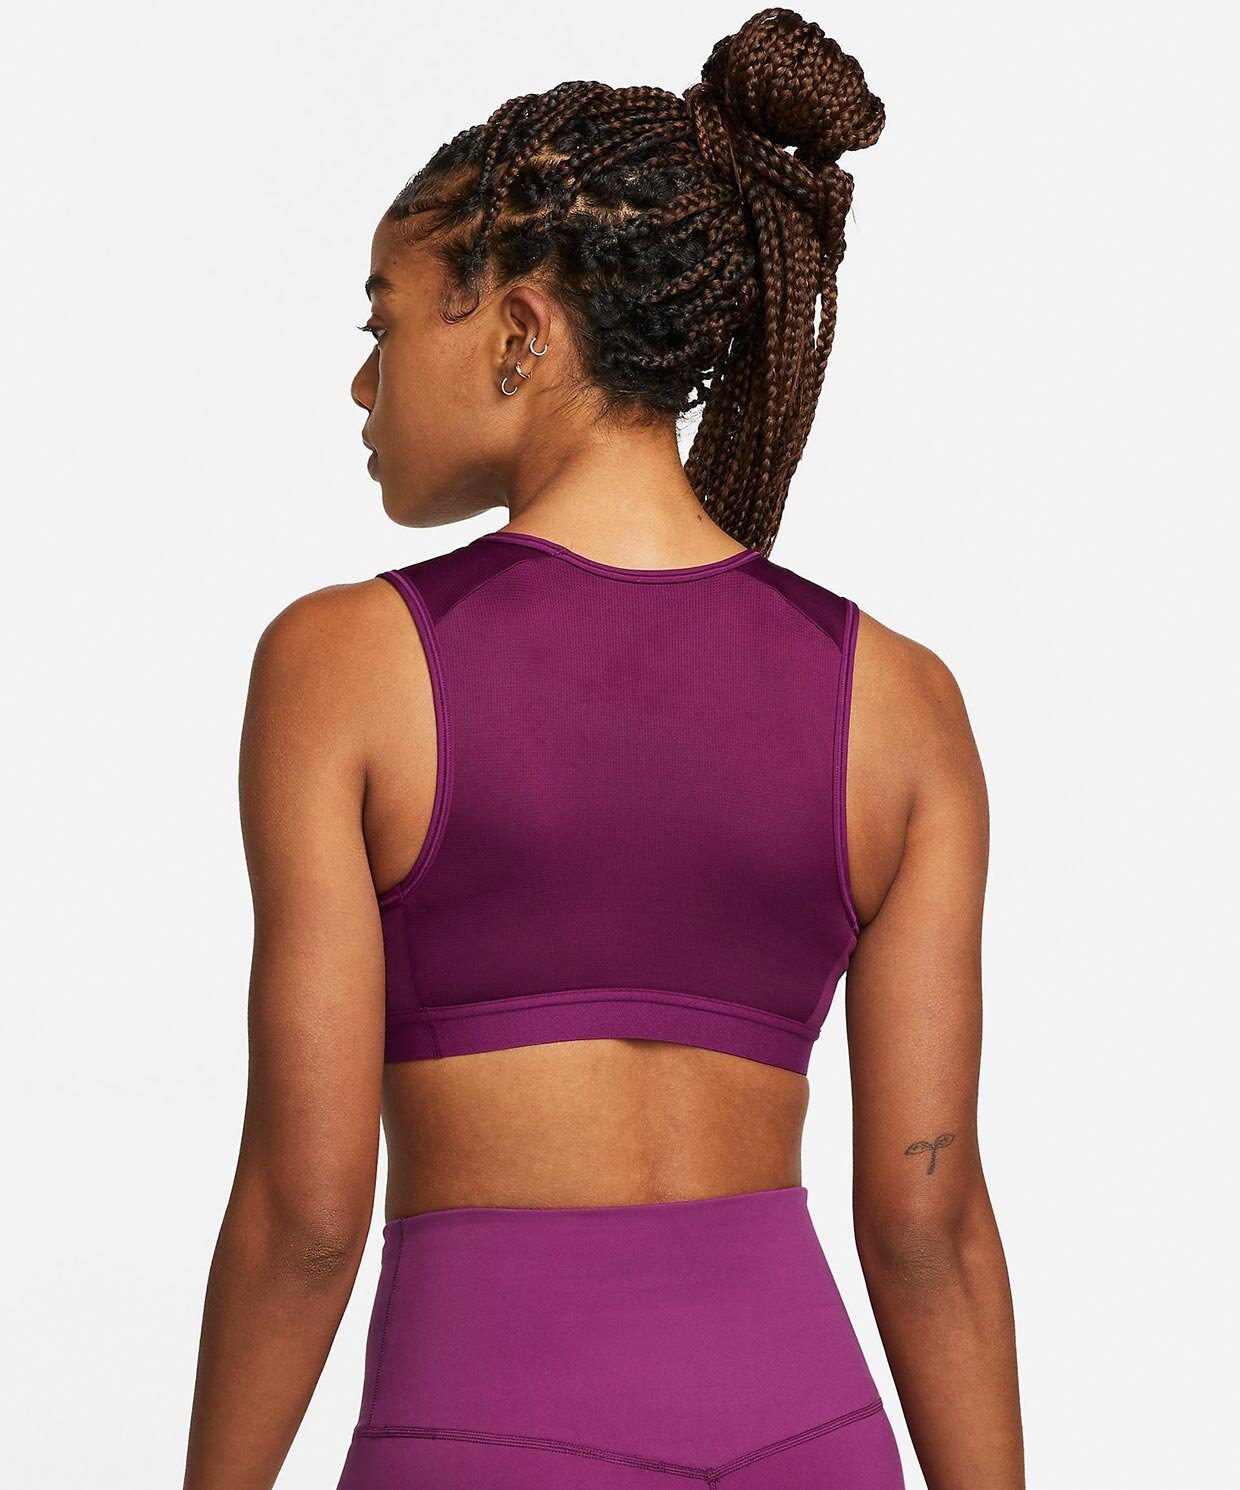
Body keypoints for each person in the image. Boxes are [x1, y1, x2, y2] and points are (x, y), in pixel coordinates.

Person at [182, 9, 1024, 1488]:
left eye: (384, 323)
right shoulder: (901, 703)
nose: (366, 383)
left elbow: (305, 1219)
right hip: (810, 1438)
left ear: (519, 331)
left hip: (482, 1435)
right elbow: (928, 1225)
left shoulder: (345, 666)